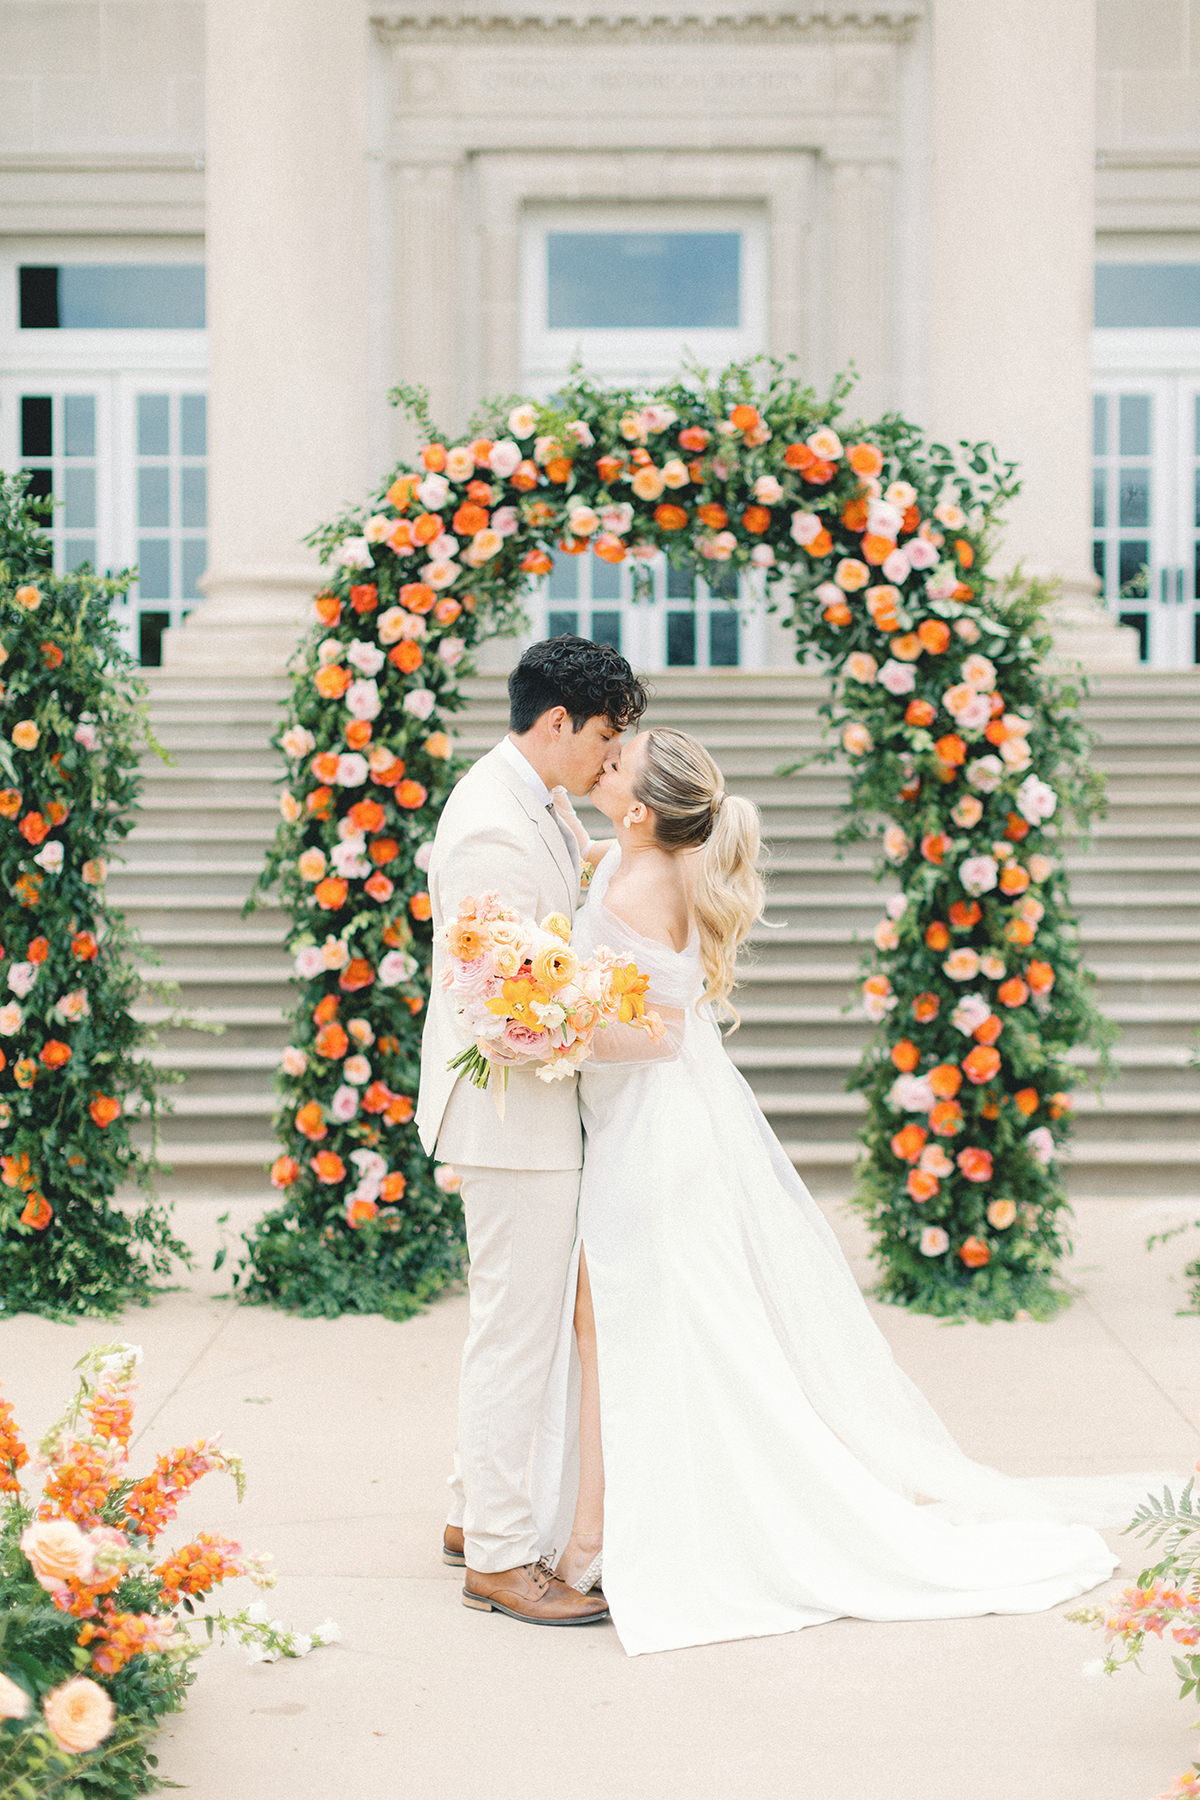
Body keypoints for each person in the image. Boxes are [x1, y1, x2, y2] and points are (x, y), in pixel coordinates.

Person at [530, 724, 1175, 1656]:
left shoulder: (637, 886)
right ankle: (602, 1525)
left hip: (653, 1137)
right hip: (650, 1126)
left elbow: (660, 1035)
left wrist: (551, 1029)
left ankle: (603, 1535)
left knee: (637, 1319)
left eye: (618, 761)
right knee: (630, 1319)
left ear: (638, 809)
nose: (604, 759)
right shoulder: (632, 864)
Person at [416, 633, 646, 1627]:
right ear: (557, 723)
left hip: (533, 1112)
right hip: (513, 1115)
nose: (607, 758)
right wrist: (622, 1025)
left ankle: (478, 1512)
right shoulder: (489, 830)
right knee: (519, 1333)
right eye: (603, 736)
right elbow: (497, 1009)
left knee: (511, 1324)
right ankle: (505, 1562)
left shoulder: (537, 801)